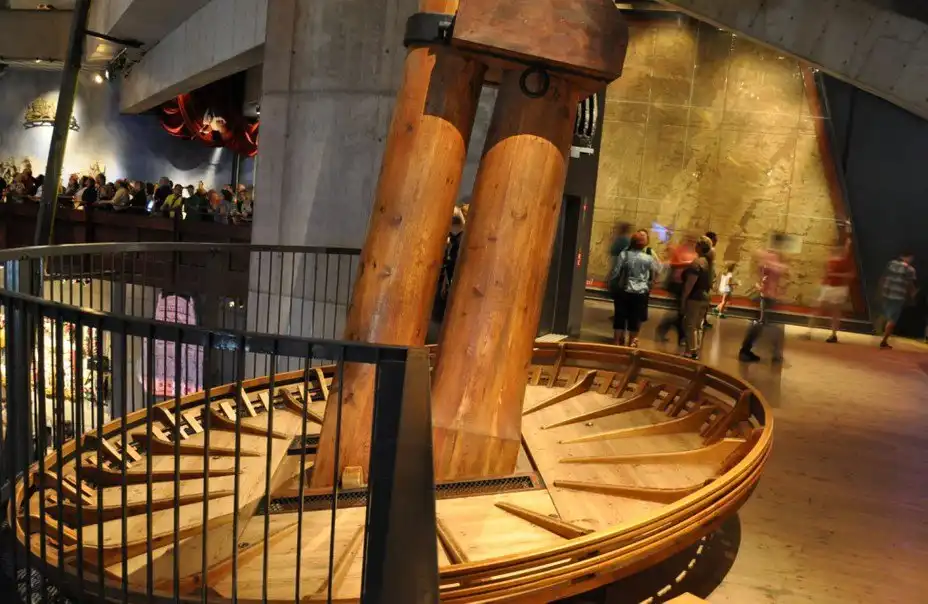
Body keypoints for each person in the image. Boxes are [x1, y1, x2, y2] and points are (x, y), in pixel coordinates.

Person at [739, 234, 789, 363]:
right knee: (762, 324)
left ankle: (770, 353)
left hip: (769, 295)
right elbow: (765, 272)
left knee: (764, 324)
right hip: (766, 295)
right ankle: (746, 351)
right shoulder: (770, 257)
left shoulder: (774, 257)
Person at [610, 230, 661, 348]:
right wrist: (651, 282)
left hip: (624, 290)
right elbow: (659, 269)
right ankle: (632, 343)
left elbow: (616, 272)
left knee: (620, 318)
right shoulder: (648, 258)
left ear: (632, 242)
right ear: (644, 244)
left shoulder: (624, 255)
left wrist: (613, 284)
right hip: (640, 292)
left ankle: (616, 343)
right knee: (635, 319)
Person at [807, 237, 854, 343]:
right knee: (818, 309)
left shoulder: (846, 259)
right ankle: (809, 332)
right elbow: (827, 272)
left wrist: (835, 274)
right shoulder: (833, 256)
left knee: (834, 312)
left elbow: (850, 275)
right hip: (828, 286)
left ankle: (833, 335)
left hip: (838, 288)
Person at [656, 237, 697, 349]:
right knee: (680, 312)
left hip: (685, 284)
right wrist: (689, 264)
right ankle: (672, 332)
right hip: (677, 284)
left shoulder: (694, 252)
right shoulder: (679, 250)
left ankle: (667, 330)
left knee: (681, 312)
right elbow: (673, 264)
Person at [681, 237, 714, 359]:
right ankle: (695, 349)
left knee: (690, 324)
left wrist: (684, 299)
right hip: (705, 297)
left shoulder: (697, 263)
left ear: (700, 247)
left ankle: (691, 351)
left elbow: (690, 284)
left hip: (695, 297)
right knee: (698, 325)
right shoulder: (709, 263)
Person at [878, 250, 917, 350]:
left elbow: (884, 277)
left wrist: (881, 289)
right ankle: (884, 341)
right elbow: (910, 284)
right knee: (893, 319)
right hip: (898, 296)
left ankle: (879, 329)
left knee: (886, 314)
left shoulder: (891, 264)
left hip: (886, 293)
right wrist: (913, 294)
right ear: (910, 257)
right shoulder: (910, 270)